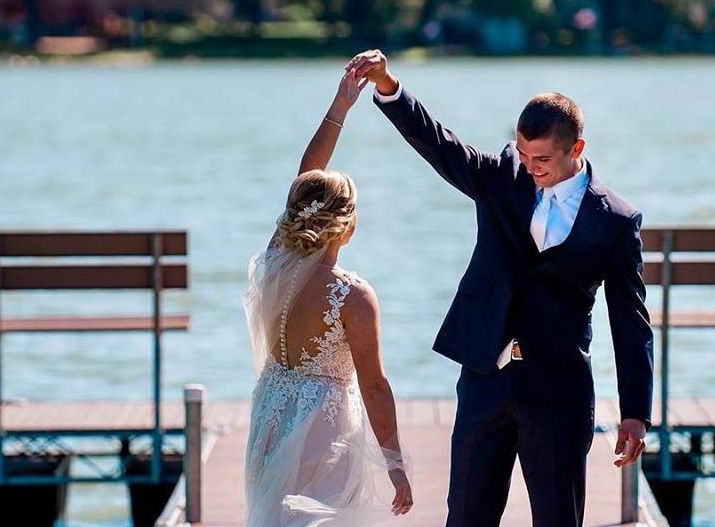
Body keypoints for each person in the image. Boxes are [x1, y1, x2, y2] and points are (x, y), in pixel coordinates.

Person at [344, 49, 654, 527]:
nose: (531, 166)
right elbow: (439, 145)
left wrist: (635, 412)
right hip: (485, 380)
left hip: (559, 390)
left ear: (577, 148)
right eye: (524, 154)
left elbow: (630, 319)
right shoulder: (501, 177)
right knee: (466, 518)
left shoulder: (615, 220)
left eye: (543, 159)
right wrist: (389, 86)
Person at [243, 68, 413, 526]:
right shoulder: (353, 296)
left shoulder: (275, 261)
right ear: (348, 225)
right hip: (325, 429)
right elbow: (375, 387)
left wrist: (340, 107)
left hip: (272, 415)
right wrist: (396, 466)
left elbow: (306, 179)